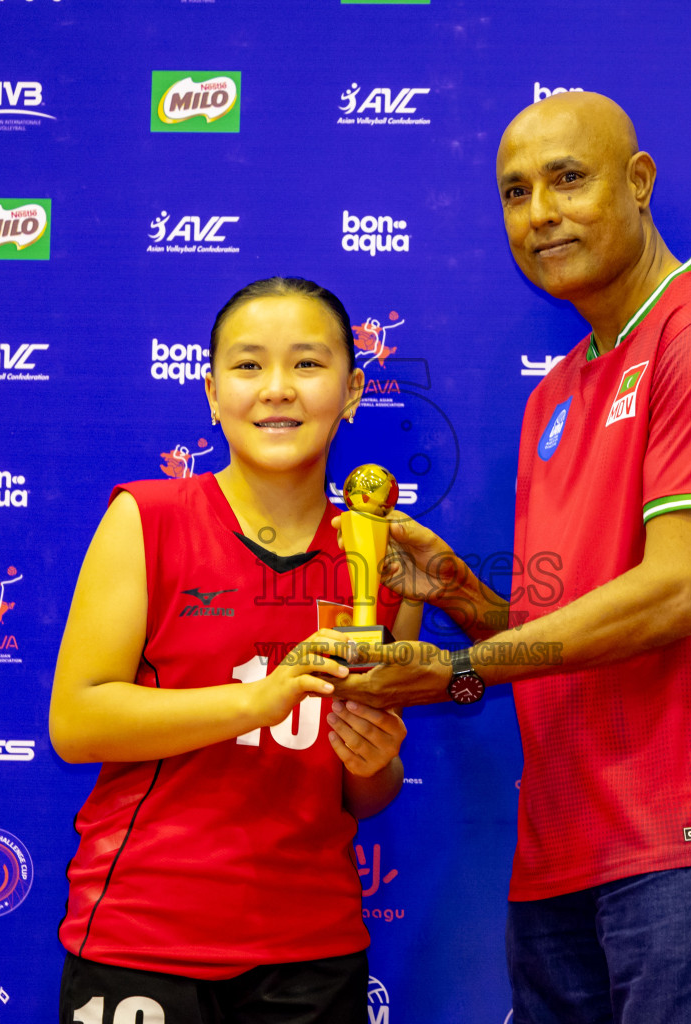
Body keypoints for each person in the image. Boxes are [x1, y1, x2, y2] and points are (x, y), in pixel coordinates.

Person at [335, 92, 691, 1022]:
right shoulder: (556, 391)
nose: (541, 214)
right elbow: (569, 635)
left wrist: (463, 668)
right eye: (516, 193)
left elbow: (679, 592)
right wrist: (463, 598)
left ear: (639, 184)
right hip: (563, 836)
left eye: (568, 179)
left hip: (690, 822)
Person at [50, 277, 421, 1024]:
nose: (278, 390)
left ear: (352, 391)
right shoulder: (147, 518)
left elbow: (366, 794)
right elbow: (77, 720)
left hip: (313, 952)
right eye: (249, 366)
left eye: (308, 366)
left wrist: (374, 755)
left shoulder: (383, 560)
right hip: (143, 938)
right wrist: (257, 699)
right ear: (213, 394)